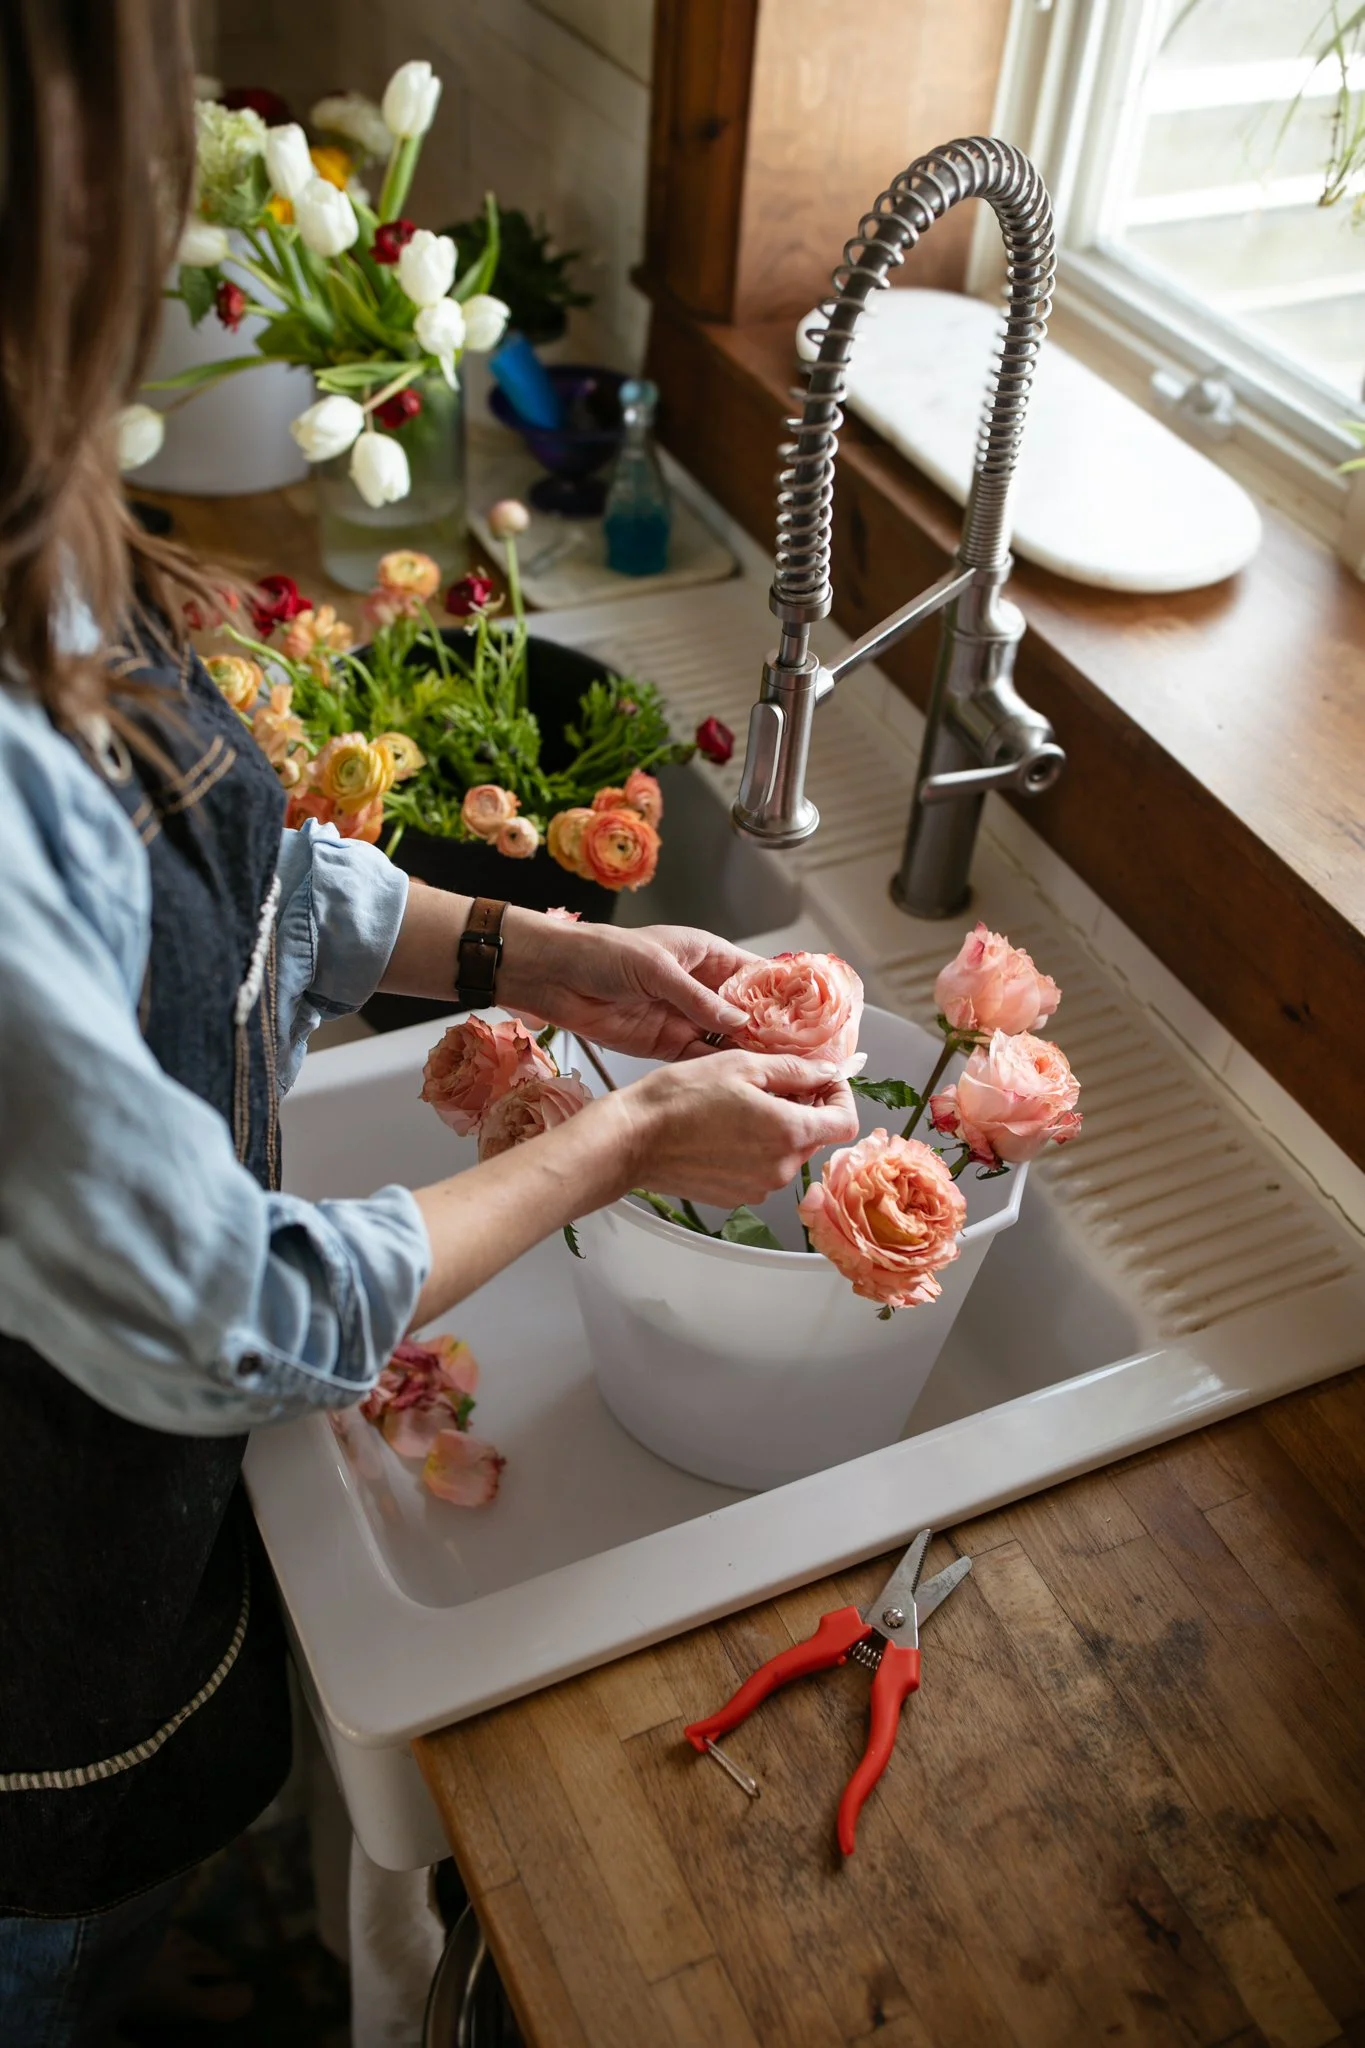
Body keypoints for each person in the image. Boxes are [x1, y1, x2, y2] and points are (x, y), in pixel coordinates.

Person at [0, 4, 859, 2039]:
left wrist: (538, 958)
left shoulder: (35, 519)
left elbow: (229, 864)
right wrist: (628, 1138)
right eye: (136, 153)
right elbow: (239, 1310)